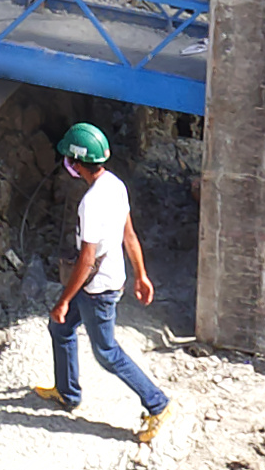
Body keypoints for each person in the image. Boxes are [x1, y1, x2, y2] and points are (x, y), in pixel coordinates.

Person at [46, 120, 174, 439]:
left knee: (107, 353)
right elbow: (129, 235)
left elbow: (87, 259)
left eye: (70, 160)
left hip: (97, 289)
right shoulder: (116, 185)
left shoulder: (90, 203)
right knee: (60, 327)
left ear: (76, 163)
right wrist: (141, 275)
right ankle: (67, 392)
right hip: (104, 280)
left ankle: (158, 404)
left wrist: (63, 300)